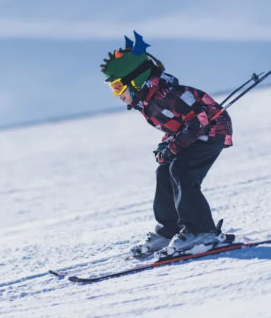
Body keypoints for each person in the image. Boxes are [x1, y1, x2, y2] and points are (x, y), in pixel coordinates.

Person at [100, 32, 233, 256]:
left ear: (135, 80)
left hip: (211, 132)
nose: (117, 95)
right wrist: (167, 145)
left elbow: (197, 120)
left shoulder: (168, 95)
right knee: (164, 172)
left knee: (181, 171)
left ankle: (202, 231)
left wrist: (174, 147)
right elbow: (176, 127)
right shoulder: (148, 101)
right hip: (193, 136)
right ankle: (169, 230)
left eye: (117, 88)